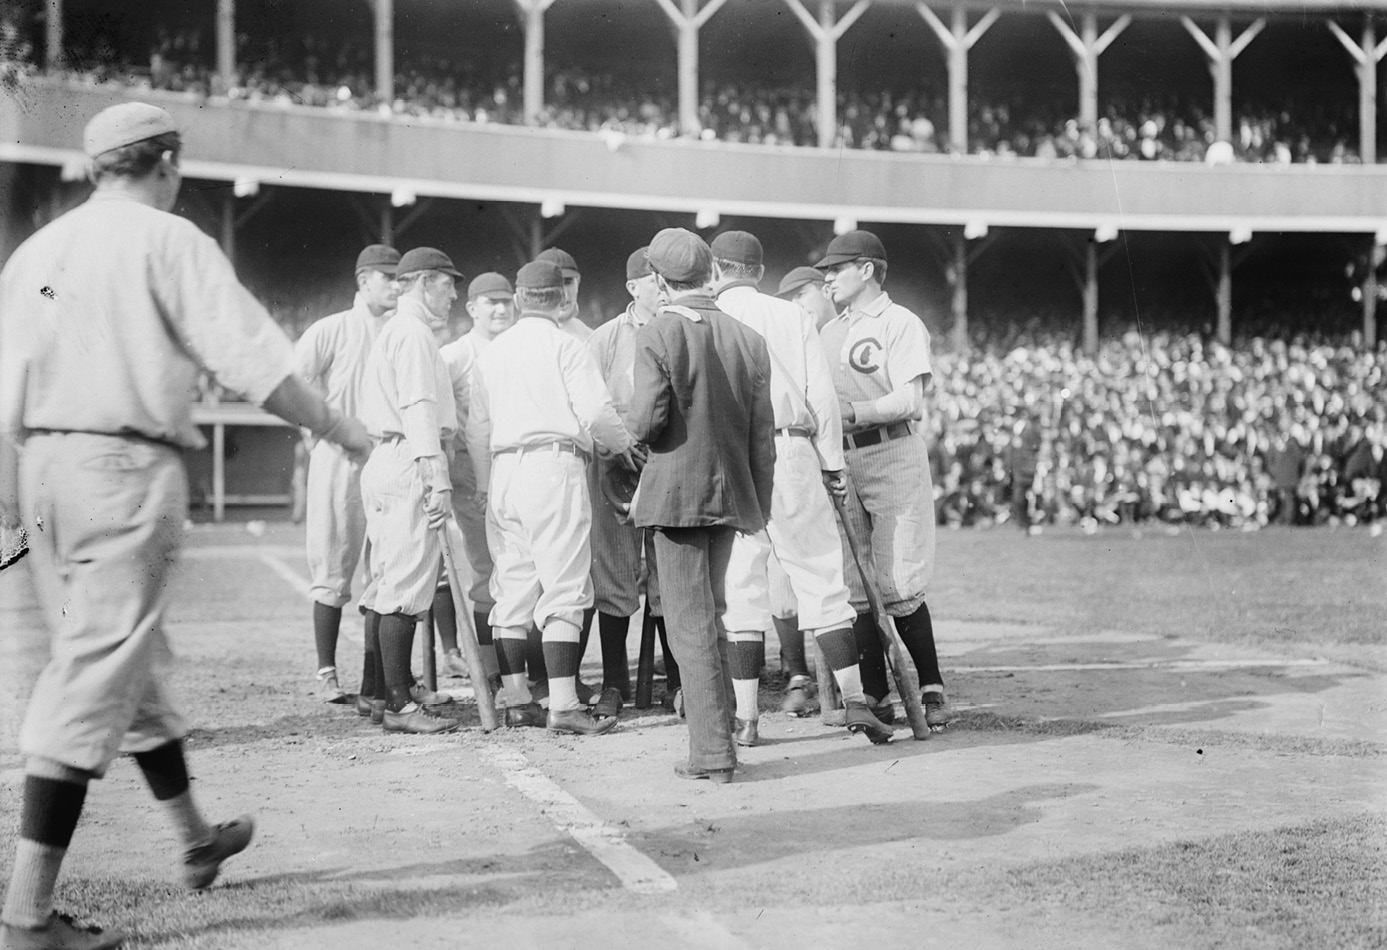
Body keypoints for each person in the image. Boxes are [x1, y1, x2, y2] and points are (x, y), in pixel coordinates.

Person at [0, 101, 372, 950]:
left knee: (127, 658)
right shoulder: (169, 239)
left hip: (44, 466)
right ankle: (26, 916)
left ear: (98, 168)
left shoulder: (38, 251)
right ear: (164, 163)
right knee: (97, 667)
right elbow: (254, 364)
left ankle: (197, 841)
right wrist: (343, 430)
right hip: (123, 466)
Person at [710, 230, 892, 746]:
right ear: (760, 272)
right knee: (819, 578)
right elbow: (824, 400)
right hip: (791, 449)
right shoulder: (791, 315)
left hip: (733, 455)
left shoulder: (709, 317)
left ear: (717, 270)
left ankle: (746, 719)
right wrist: (832, 465)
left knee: (741, 587)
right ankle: (856, 700)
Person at [466, 259, 639, 735]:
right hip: (553, 463)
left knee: (512, 587)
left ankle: (518, 698)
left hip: (502, 469)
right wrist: (625, 447)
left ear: (520, 298)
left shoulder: (493, 352)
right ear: (561, 300)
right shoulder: (568, 344)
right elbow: (598, 413)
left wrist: (483, 483)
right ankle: (563, 705)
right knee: (564, 585)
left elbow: (476, 428)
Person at [628, 228, 776, 783]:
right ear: (710, 271)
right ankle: (719, 738)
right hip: (732, 494)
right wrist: (757, 507)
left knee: (689, 622)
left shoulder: (658, 333)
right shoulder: (748, 337)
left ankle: (713, 752)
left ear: (661, 281)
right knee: (710, 615)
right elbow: (763, 437)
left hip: (676, 497)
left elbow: (645, 421)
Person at [817, 229, 950, 730]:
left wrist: (853, 411)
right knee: (853, 582)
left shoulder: (900, 322)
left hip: (892, 450)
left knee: (899, 579)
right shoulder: (829, 332)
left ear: (867, 269)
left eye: (837, 268)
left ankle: (931, 687)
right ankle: (875, 695)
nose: (828, 278)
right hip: (843, 459)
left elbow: (909, 400)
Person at [357, 247, 464, 736]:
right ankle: (399, 705)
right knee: (403, 585)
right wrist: (435, 475)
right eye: (447, 283)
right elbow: (419, 407)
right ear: (422, 283)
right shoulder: (415, 333)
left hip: (388, 457)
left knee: (385, 583)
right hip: (409, 456)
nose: (454, 293)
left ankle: (381, 694)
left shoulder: (392, 331)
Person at [295, 244, 400, 703]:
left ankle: (373, 680)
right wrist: (322, 429)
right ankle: (326, 672)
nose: (396, 286)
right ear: (363, 281)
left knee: (388, 568)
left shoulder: (402, 331)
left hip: (388, 457)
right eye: (387, 277)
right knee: (334, 563)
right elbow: (293, 382)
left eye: (401, 278)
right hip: (339, 456)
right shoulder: (332, 328)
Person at [584, 248, 676, 706]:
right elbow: (587, 406)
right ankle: (614, 682)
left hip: (667, 459)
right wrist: (616, 446)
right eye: (651, 280)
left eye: (665, 279)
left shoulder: (677, 328)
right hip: (615, 464)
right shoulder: (604, 338)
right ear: (632, 287)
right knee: (615, 575)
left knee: (669, 573)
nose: (660, 288)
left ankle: (679, 680)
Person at [435, 272, 516, 685]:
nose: (501, 309)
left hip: (516, 471)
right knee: (487, 571)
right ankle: (490, 668)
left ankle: (524, 667)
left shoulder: (521, 347)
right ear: (472, 309)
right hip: (471, 475)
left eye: (506, 301)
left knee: (521, 572)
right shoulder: (454, 355)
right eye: (491, 303)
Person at [535, 247, 592, 342]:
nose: (564, 293)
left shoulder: (591, 338)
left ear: (578, 282)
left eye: (568, 282)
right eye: (554, 284)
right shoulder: (521, 337)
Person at [777, 265, 838, 331]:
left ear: (827, 291)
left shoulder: (849, 333)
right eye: (788, 301)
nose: (795, 306)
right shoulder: (788, 340)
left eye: (800, 295)